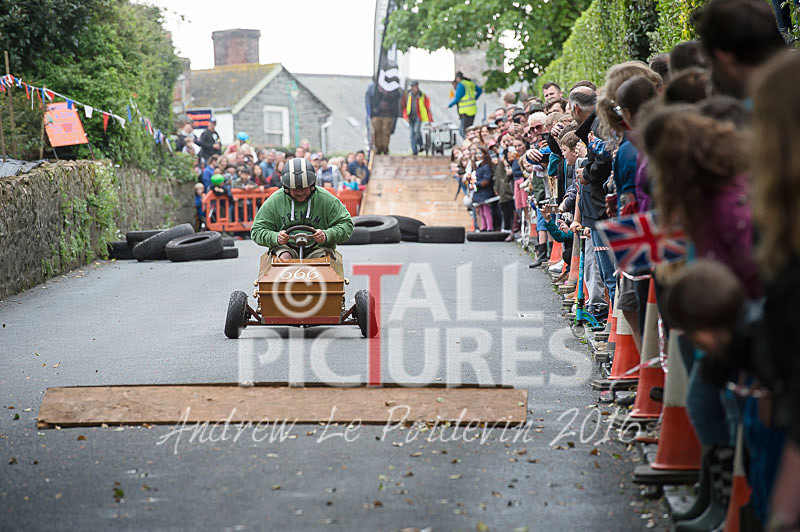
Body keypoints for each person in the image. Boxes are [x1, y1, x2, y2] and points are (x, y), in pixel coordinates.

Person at [250, 158, 354, 260]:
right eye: (295, 189)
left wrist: (327, 235)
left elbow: (347, 225)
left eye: (304, 188)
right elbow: (256, 230)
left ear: (312, 185)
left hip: (319, 248)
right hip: (285, 248)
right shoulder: (275, 200)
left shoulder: (326, 199)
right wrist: (275, 237)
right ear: (287, 188)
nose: (300, 192)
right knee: (284, 258)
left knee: (321, 263)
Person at [448, 71, 483, 139]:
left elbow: (457, 98)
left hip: (465, 111)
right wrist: (474, 98)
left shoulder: (461, 85)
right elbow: (480, 91)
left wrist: (449, 105)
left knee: (463, 131)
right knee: (469, 129)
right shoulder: (470, 83)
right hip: (472, 109)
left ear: (457, 78)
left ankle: (468, 142)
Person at [403, 80, 433, 156]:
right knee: (412, 133)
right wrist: (406, 116)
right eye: (413, 86)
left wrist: (430, 117)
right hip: (410, 117)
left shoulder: (422, 96)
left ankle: (421, 144)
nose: (414, 88)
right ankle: (414, 151)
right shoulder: (408, 95)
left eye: (415, 86)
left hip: (418, 116)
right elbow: (405, 107)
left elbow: (427, 107)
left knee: (416, 131)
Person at [471, 146, 494, 231]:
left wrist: (476, 183)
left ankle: (489, 227)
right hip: (479, 192)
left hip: (485, 192)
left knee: (486, 210)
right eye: (477, 153)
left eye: (480, 153)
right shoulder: (478, 166)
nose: (478, 155)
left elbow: (487, 180)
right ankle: (483, 227)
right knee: (481, 211)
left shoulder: (486, 166)